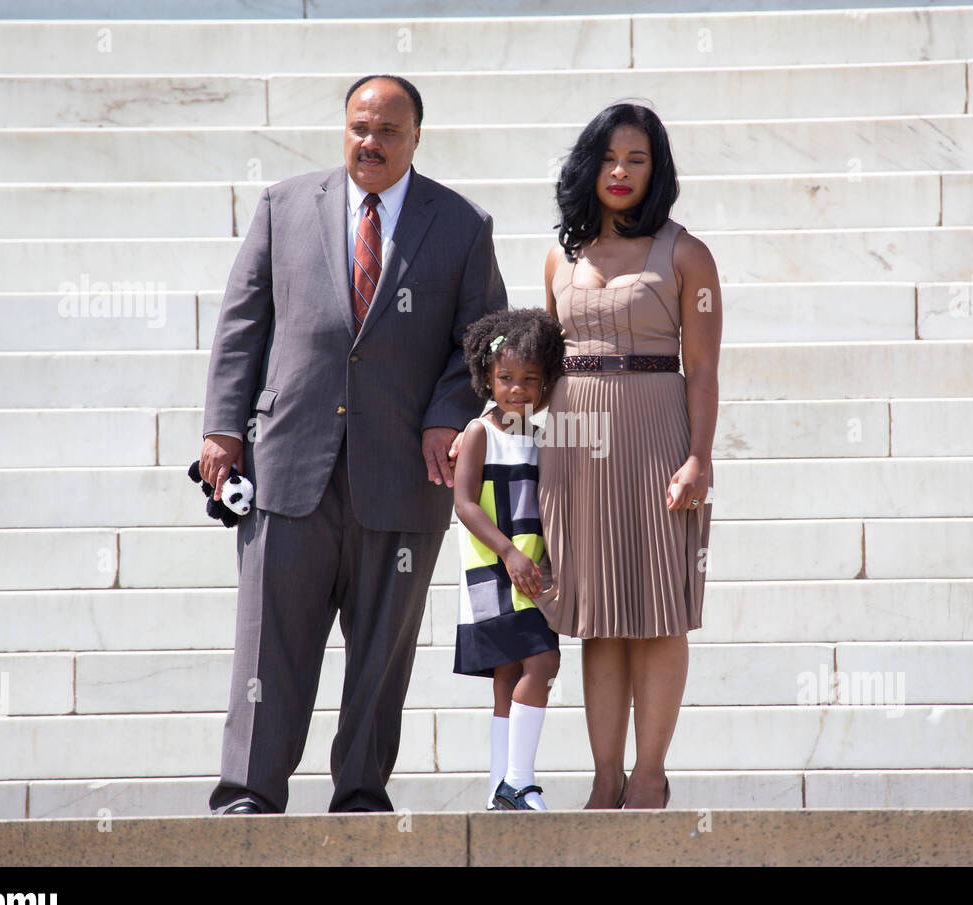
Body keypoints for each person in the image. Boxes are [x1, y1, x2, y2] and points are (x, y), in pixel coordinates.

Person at [199, 73, 506, 814]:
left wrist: (446, 412)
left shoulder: (461, 224)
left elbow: (485, 339)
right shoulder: (284, 205)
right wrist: (221, 428)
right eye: (359, 127)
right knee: (268, 646)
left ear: (415, 138)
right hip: (287, 466)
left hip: (403, 473)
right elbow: (243, 325)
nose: (370, 142)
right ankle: (249, 793)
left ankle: (362, 796)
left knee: (381, 655)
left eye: (388, 131)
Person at [539, 103, 722, 810]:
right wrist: (495, 428)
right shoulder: (560, 255)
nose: (621, 171)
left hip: (657, 439)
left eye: (637, 159)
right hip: (573, 447)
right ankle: (604, 775)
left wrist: (698, 458)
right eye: (610, 158)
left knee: (658, 613)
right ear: (590, 166)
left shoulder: (686, 253)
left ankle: (650, 775)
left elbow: (703, 370)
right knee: (599, 616)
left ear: (656, 171)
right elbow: (536, 363)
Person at [452, 308, 566, 810]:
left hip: (532, 572)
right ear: (486, 377)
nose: (517, 389)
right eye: (505, 378)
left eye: (530, 380)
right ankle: (520, 781)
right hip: (497, 574)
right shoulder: (480, 433)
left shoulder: (542, 438)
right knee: (543, 661)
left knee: (509, 676)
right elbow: (464, 503)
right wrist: (509, 553)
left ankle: (500, 786)